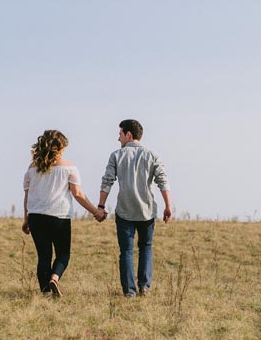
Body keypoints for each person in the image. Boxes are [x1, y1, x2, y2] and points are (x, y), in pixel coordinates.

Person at [22, 129, 106, 298]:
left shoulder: (31, 169)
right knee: (63, 254)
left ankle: (45, 293)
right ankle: (54, 277)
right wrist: (95, 211)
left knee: (43, 256)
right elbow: (78, 194)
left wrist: (26, 219)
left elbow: (27, 196)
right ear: (60, 148)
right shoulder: (69, 168)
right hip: (59, 217)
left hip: (36, 217)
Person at [98, 119, 171, 297]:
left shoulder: (117, 155)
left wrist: (100, 205)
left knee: (126, 252)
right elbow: (162, 181)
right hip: (146, 210)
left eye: (120, 134)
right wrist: (168, 206)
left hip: (125, 210)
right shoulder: (152, 155)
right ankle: (144, 286)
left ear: (128, 134)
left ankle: (129, 291)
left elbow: (107, 181)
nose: (118, 138)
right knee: (146, 247)